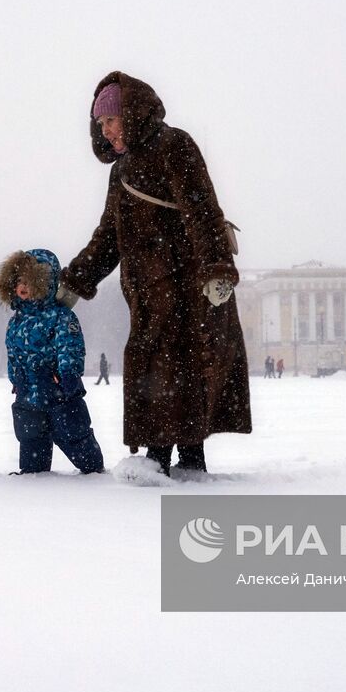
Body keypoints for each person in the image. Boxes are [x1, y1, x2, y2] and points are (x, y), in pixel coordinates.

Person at [59, 72, 251, 476]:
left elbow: (203, 209)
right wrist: (75, 280)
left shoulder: (174, 145)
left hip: (190, 285)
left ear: (131, 112)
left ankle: (182, 461)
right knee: (159, 369)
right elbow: (109, 236)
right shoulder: (122, 169)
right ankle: (161, 459)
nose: (106, 130)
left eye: (111, 119)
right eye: (100, 124)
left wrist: (217, 269)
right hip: (147, 292)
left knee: (180, 366)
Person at [0, 249, 104, 474]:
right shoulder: (16, 321)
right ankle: (34, 475)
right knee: (31, 438)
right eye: (19, 281)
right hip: (27, 392)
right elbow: (13, 353)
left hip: (58, 389)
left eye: (29, 281)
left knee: (73, 434)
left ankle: (94, 472)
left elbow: (69, 347)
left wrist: (68, 374)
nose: (22, 286)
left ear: (44, 284)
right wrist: (15, 378)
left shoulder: (60, 316)